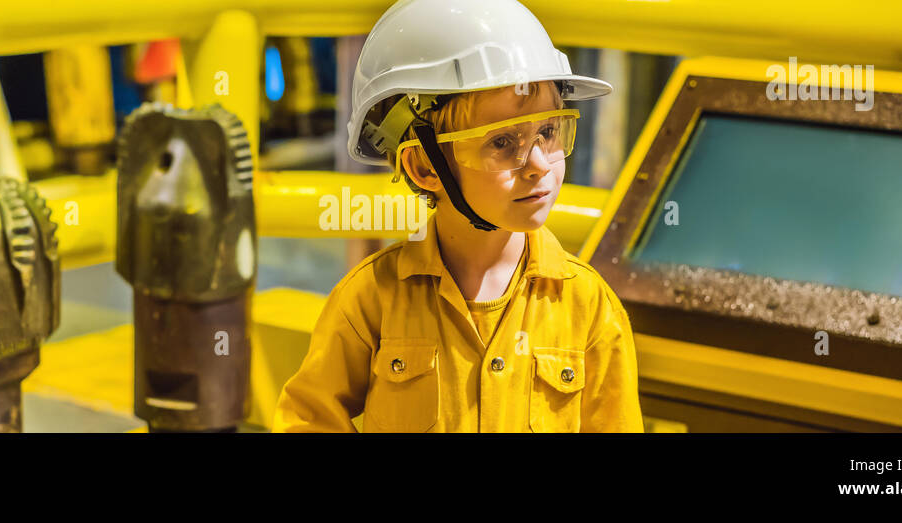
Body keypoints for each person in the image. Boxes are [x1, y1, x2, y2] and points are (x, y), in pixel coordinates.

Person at [273, 0, 643, 432]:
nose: (539, 163)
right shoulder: (371, 300)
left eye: (548, 131)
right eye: (503, 142)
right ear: (425, 168)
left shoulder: (589, 307)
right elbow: (308, 419)